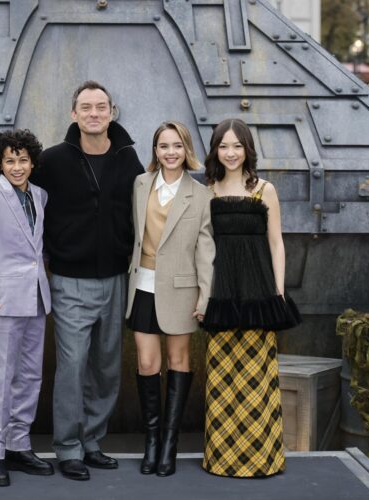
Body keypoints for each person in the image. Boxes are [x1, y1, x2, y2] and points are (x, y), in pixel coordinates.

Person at [31, 81, 144, 481]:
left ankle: (92, 441)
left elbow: (140, 212)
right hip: (70, 280)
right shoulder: (52, 160)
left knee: (107, 366)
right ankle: (67, 448)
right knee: (73, 365)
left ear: (111, 112)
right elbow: (32, 211)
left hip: (116, 278)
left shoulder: (129, 160)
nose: (94, 113)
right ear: (73, 114)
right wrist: (44, 257)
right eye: (86, 107)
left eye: (101, 107)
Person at [200, 118, 301, 477]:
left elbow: (276, 243)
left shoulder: (264, 189)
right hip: (221, 292)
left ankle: (263, 459)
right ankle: (223, 459)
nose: (230, 153)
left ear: (247, 149)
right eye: (223, 146)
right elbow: (202, 246)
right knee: (223, 379)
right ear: (215, 149)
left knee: (259, 379)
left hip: (259, 292)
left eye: (237, 146)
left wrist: (278, 291)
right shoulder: (206, 189)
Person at [126, 121, 214, 476]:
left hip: (181, 289)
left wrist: (206, 296)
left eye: (177, 145)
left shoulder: (201, 193)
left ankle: (169, 445)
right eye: (164, 146)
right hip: (142, 286)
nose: (171, 152)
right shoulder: (141, 184)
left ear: (187, 149)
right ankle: (151, 440)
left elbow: (205, 251)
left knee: (178, 361)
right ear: (155, 151)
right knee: (147, 364)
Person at [0, 129, 54, 487]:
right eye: (9, 161)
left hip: (36, 296)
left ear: (32, 162)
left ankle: (18, 444)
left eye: (22, 160)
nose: (17, 167)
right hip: (3, 298)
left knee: (30, 375)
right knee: (0, 378)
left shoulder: (41, 195)